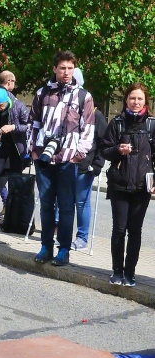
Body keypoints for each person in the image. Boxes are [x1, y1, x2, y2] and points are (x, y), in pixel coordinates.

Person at [29, 50, 95, 267]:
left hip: (68, 160)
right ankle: (46, 246)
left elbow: (88, 129)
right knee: (46, 205)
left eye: (70, 68)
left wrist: (78, 155)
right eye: (62, 68)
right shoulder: (42, 93)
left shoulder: (83, 96)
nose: (66, 72)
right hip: (44, 159)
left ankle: (64, 249)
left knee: (66, 208)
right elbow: (33, 123)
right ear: (55, 69)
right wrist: (33, 150)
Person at [99, 83, 155, 286]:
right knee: (119, 229)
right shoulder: (117, 123)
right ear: (126, 100)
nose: (135, 102)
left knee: (135, 231)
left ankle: (130, 273)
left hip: (142, 186)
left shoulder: (151, 125)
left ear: (145, 101)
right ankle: (117, 271)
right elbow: (104, 150)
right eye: (132, 98)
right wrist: (118, 150)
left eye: (139, 99)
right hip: (119, 184)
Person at [0, 86, 30, 226]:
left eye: (1, 105)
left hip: (16, 149)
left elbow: (29, 126)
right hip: (0, 147)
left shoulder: (19, 106)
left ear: (7, 101)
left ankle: (12, 215)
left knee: (15, 182)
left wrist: (13, 127)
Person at [71, 68, 108, 251]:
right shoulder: (67, 109)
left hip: (85, 166)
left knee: (81, 202)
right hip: (65, 162)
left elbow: (103, 142)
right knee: (63, 200)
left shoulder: (96, 114)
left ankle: (82, 237)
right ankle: (61, 232)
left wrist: (98, 164)